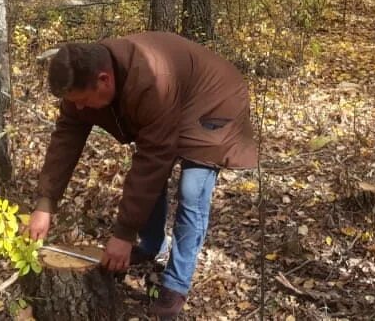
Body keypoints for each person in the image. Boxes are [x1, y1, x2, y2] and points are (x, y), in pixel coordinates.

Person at [28, 32, 258, 318]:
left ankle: (176, 283)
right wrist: (45, 203)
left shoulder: (149, 81)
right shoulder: (79, 85)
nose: (79, 108)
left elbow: (153, 157)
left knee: (191, 190)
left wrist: (123, 233)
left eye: (84, 101)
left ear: (104, 79)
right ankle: (150, 246)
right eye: (74, 102)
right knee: (151, 177)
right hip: (175, 96)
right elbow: (66, 139)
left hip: (214, 100)